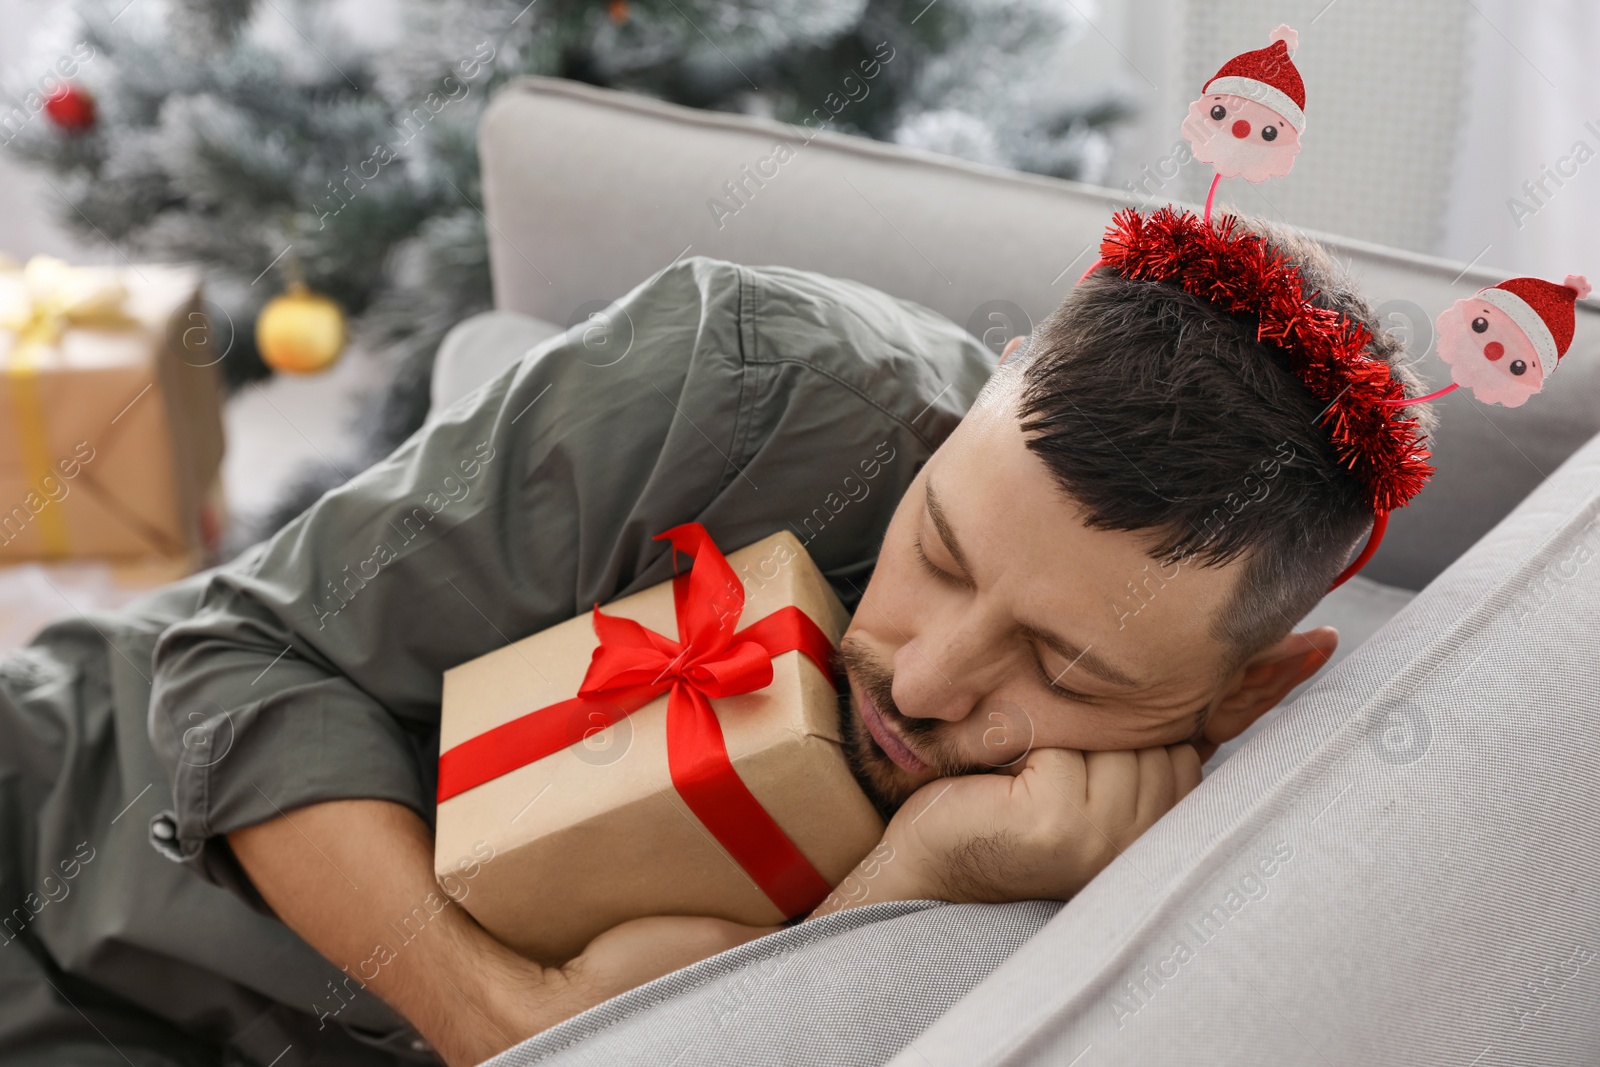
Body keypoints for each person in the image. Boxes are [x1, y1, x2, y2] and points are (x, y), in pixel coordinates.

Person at [0, 217, 1429, 1067]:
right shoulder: (741, 376)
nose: (926, 684)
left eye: (1064, 671)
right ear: (981, 404)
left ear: (1252, 689)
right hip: (55, 826)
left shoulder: (1161, 838)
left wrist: (905, 878)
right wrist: (507, 1022)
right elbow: (238, 657)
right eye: (938, 552)